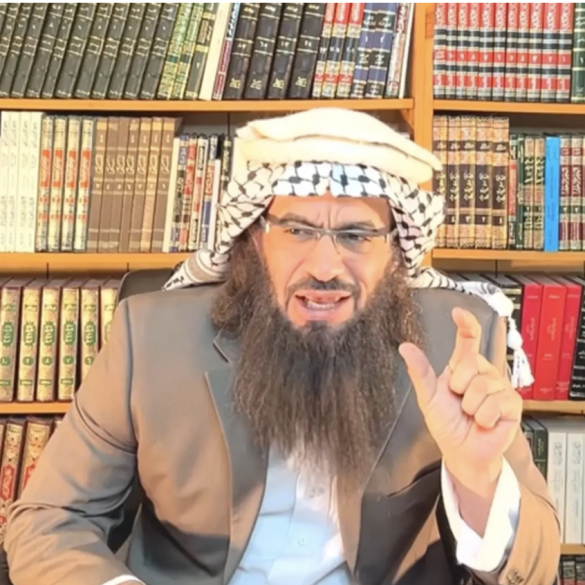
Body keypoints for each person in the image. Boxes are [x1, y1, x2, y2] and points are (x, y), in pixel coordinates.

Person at [5, 108, 559, 585]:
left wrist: (478, 479)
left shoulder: (454, 346)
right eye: (296, 230)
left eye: (357, 235)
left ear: (394, 254)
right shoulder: (150, 337)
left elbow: (535, 568)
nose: (325, 266)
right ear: (254, 240)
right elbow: (48, 519)